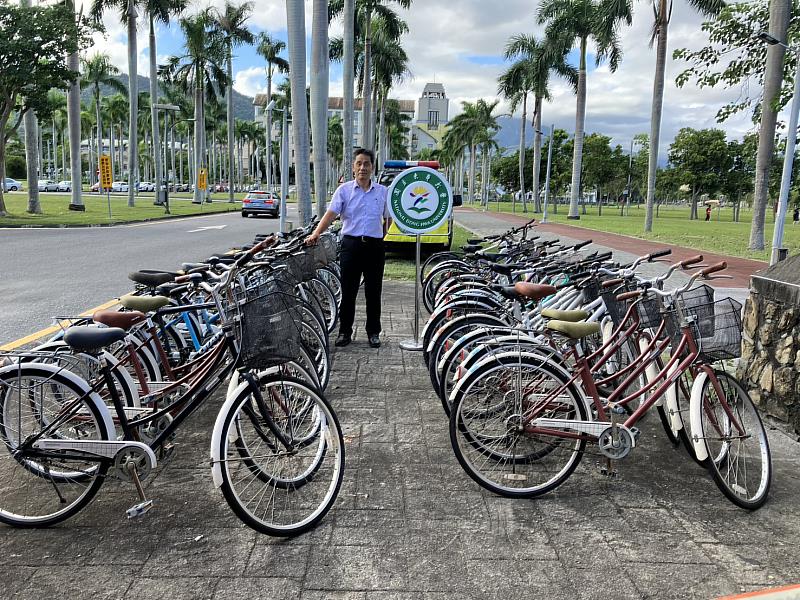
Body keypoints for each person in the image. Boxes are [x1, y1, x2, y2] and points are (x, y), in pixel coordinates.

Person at [305, 148, 390, 348]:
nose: (362, 167)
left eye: (366, 163)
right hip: (351, 245)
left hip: (374, 247)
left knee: (374, 291)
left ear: (372, 167)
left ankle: (373, 332)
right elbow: (330, 214)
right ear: (353, 167)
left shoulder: (382, 192)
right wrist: (316, 233)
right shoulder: (344, 191)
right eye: (359, 163)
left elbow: (388, 218)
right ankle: (345, 332)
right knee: (348, 290)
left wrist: (381, 236)